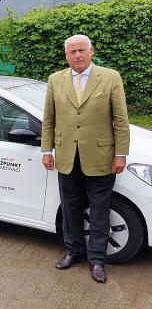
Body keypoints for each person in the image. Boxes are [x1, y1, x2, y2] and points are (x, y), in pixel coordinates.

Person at [41, 35, 130, 283]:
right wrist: (46, 150)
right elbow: (49, 119)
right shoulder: (55, 80)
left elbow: (120, 120)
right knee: (70, 208)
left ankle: (97, 260)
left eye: (81, 50)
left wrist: (120, 154)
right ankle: (73, 251)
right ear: (66, 55)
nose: (77, 55)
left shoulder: (110, 77)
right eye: (72, 52)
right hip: (66, 156)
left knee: (100, 210)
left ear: (91, 51)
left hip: (101, 157)